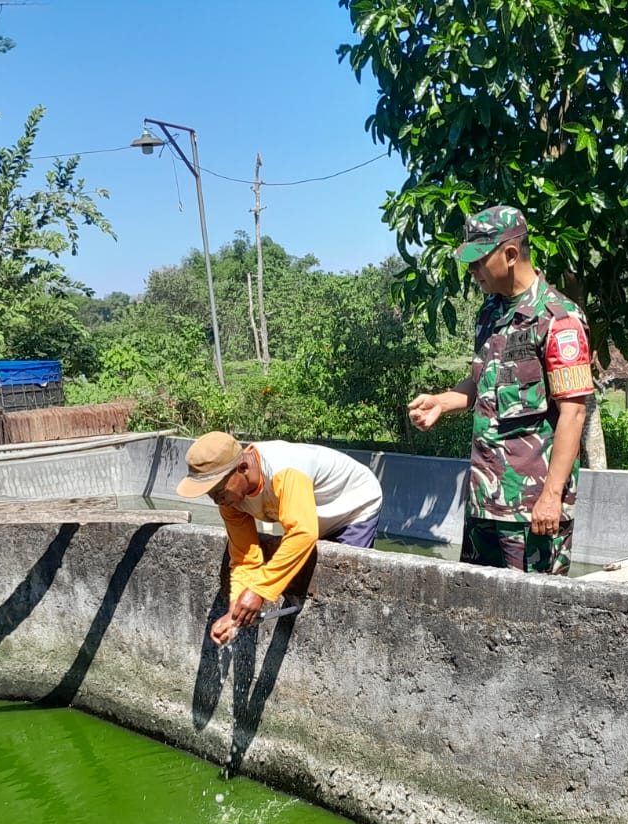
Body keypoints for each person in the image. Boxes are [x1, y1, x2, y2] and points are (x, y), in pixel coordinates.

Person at [407, 205, 594, 575]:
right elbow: (483, 382)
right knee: (476, 611)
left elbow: (574, 412)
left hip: (530, 509)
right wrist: (442, 403)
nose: (472, 271)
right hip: (484, 501)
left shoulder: (559, 320)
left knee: (534, 616)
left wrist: (551, 497)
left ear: (510, 254)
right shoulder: (490, 311)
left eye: (479, 261)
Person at [176, 433, 383, 646]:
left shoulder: (285, 471)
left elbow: (303, 533)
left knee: (341, 595)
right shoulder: (229, 501)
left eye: (219, 491)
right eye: (210, 494)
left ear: (243, 469)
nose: (216, 500)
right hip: (309, 512)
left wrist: (259, 591)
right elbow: (244, 558)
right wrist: (234, 613)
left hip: (352, 506)